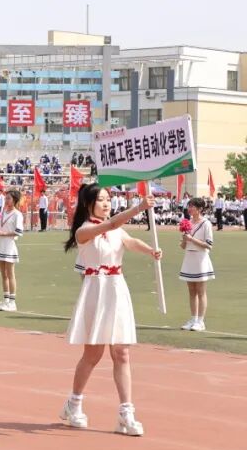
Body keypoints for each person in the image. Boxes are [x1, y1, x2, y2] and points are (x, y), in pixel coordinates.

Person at [61, 183, 161, 436]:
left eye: (108, 199)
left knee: (121, 352)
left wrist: (150, 251)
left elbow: (129, 241)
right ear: (88, 205)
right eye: (101, 200)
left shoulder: (116, 229)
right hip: (96, 290)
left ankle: (126, 413)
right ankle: (74, 403)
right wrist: (139, 207)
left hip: (116, 289)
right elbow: (111, 225)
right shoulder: (84, 231)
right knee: (92, 355)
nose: (106, 204)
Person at [178, 197, 214, 332]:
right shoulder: (187, 222)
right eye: (189, 206)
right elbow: (183, 246)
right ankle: (193, 319)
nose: (189, 209)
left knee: (200, 291)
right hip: (189, 258)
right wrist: (184, 239)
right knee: (191, 291)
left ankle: (200, 321)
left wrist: (191, 239)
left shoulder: (206, 223)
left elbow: (209, 245)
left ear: (199, 209)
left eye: (192, 206)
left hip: (201, 259)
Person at [0, 189, 23, 312]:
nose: (6, 200)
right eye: (6, 198)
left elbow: (18, 231)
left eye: (9, 198)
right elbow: (0, 226)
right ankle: (5, 299)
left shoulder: (17, 214)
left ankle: (12, 302)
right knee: (3, 274)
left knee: (10, 274)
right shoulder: (3, 211)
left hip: (9, 245)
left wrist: (3, 234)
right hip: (0, 244)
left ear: (15, 200)